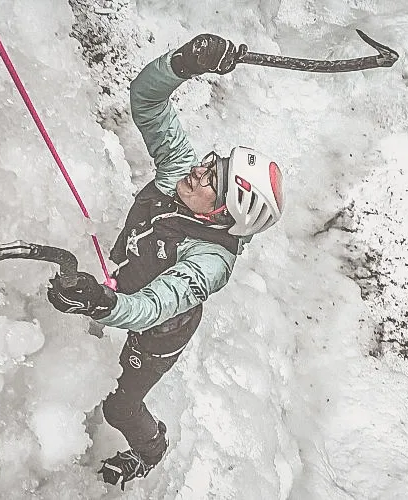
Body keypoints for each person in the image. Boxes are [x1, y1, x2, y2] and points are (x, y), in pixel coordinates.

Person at [44, 33, 286, 490]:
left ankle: (151, 449)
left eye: (212, 179)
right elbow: (147, 100)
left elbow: (152, 307)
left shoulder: (210, 260)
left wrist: (100, 303)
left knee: (120, 408)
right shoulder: (180, 173)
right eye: (211, 163)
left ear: (222, 214)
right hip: (122, 286)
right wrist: (184, 63)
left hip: (159, 333)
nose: (198, 170)